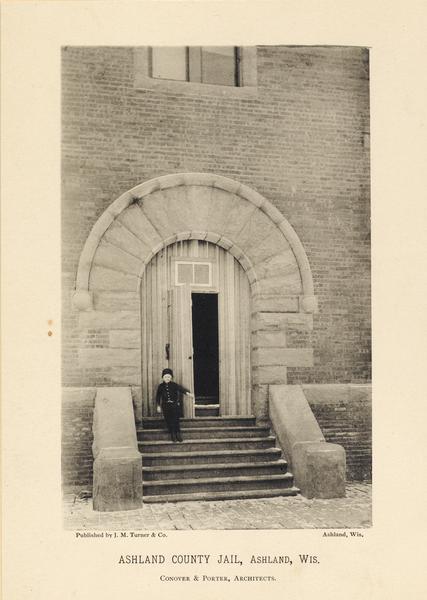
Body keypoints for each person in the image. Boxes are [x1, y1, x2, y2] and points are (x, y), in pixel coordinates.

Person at [156, 368, 193, 442]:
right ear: (163, 378)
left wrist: (188, 394)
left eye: (169, 377)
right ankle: (172, 433)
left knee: (176, 419)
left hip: (174, 405)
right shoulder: (160, 386)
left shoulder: (174, 385)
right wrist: (158, 406)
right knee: (168, 419)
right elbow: (158, 397)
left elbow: (181, 389)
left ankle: (178, 433)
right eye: (165, 377)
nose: (167, 378)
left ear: (171, 378)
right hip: (165, 406)